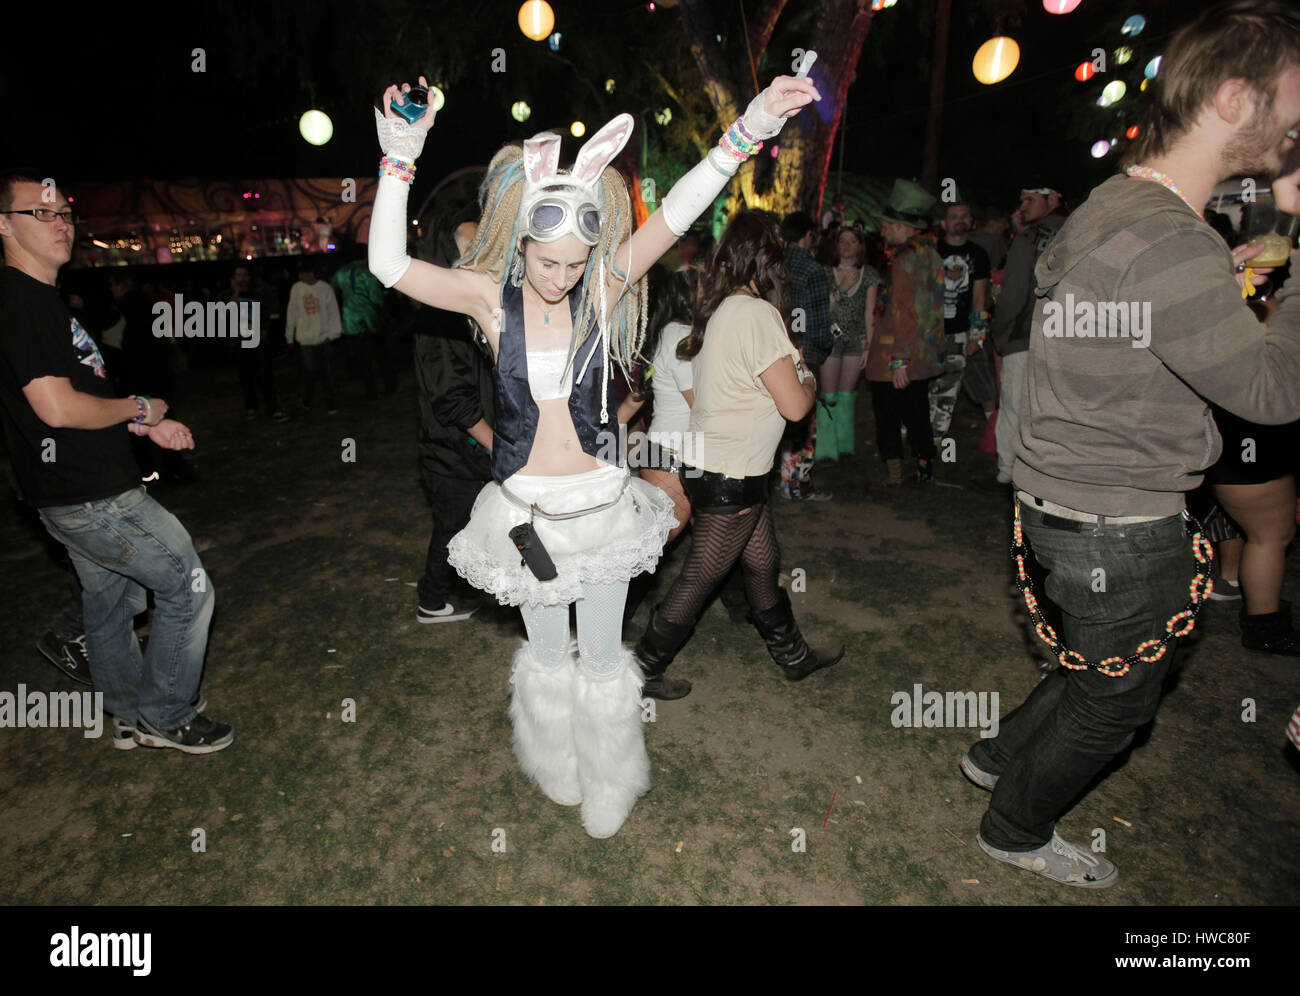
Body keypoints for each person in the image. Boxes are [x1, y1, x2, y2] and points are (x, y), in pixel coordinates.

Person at [367, 72, 820, 838]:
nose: (564, 275)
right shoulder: (486, 296)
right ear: (520, 241)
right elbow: (387, 264)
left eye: (579, 261)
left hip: (603, 510)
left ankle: (613, 775)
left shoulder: (604, 288)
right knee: (547, 655)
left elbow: (676, 216)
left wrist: (748, 129)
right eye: (550, 262)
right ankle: (555, 763)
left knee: (604, 658)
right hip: (527, 519)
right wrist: (399, 159)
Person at [960, 0, 1300, 888]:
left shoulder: (1117, 204)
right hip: (1118, 519)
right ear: (1235, 97)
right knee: (1117, 700)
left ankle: (998, 757)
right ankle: (1015, 827)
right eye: (1292, 95)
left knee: (1092, 662)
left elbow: (1136, 324)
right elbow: (1272, 393)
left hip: (1059, 502)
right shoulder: (1172, 240)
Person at [0, 168, 231, 753]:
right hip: (90, 493)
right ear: (4, 225)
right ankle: (165, 712)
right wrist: (143, 404)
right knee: (188, 583)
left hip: (71, 486)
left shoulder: (40, 300)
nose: (59, 224)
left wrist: (141, 424)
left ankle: (131, 710)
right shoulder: (21, 302)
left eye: (65, 214)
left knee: (110, 603)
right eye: (40, 213)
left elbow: (79, 394)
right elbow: (55, 409)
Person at [633, 211, 845, 700]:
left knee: (762, 560)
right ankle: (641, 669)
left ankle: (792, 655)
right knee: (700, 579)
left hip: (712, 465)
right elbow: (794, 406)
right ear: (770, 260)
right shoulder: (757, 314)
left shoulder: (717, 310)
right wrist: (808, 377)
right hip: (731, 474)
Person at [413, 217, 494, 624]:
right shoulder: (439, 315)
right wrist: (499, 444)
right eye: (470, 246)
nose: (481, 254)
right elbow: (452, 398)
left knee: (474, 522)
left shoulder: (470, 305)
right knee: (453, 524)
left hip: (470, 448)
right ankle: (432, 599)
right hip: (454, 449)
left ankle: (473, 585)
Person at [864, 179, 946, 486]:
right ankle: (926, 471)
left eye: (886, 224)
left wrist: (899, 359)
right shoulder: (931, 254)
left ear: (902, 226)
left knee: (888, 413)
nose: (882, 228)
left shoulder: (903, 259)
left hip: (895, 353)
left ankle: (895, 475)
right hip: (923, 352)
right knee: (917, 412)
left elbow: (903, 310)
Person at [989, 182, 1067, 485]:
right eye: (1021, 200)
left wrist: (1002, 333)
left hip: (1025, 336)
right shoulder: (1087, 231)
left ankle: (1008, 472)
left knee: (1013, 407)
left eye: (1030, 199)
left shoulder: (1030, 237)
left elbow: (1013, 294)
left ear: (1054, 198)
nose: (1023, 207)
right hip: (1071, 338)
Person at [618, 265, 697, 545]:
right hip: (673, 454)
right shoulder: (680, 338)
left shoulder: (670, 332)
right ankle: (604, 589)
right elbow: (700, 405)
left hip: (668, 450)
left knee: (715, 542)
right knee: (651, 547)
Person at [778, 211, 833, 500]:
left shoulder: (773, 264)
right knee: (802, 421)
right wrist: (822, 350)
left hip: (771, 352)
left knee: (779, 417)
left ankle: (782, 479)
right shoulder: (813, 271)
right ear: (809, 234)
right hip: (803, 352)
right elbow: (818, 322)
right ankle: (797, 484)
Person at [815, 225, 878, 462]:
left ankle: (844, 444)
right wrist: (841, 290)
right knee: (829, 394)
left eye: (853, 241)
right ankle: (826, 448)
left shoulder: (869, 274)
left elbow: (870, 313)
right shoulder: (824, 273)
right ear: (836, 245)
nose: (847, 245)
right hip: (831, 341)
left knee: (847, 395)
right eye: (843, 241)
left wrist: (868, 345)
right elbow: (822, 310)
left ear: (860, 246)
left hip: (856, 342)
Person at [928, 201, 990, 441]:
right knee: (923, 384)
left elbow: (980, 298)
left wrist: (978, 335)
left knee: (948, 389)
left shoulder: (978, 255)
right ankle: (915, 430)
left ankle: (936, 438)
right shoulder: (931, 251)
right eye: (954, 216)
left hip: (960, 333)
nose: (960, 220)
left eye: (965, 215)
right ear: (943, 223)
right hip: (928, 332)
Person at [332, 248, 394, 400]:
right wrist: (384, 313)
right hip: (370, 319)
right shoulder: (367, 272)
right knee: (381, 355)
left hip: (350, 319)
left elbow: (332, 291)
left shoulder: (340, 272)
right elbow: (376, 297)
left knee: (362, 358)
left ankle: (370, 391)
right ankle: (390, 386)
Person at [231, 264, 287, 421]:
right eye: (238, 275)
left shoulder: (261, 291)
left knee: (264, 374)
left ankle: (273, 408)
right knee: (245, 375)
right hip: (241, 340)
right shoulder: (231, 293)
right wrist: (236, 292)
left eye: (244, 275)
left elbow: (272, 313)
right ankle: (251, 406)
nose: (242, 278)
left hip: (259, 339)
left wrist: (265, 330)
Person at [285, 259, 342, 412]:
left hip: (323, 337)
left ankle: (330, 402)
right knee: (310, 370)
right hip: (305, 339)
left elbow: (333, 312)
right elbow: (292, 312)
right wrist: (289, 336)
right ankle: (307, 399)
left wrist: (333, 333)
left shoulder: (324, 288)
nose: (302, 276)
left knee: (326, 372)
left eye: (305, 273)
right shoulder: (297, 289)